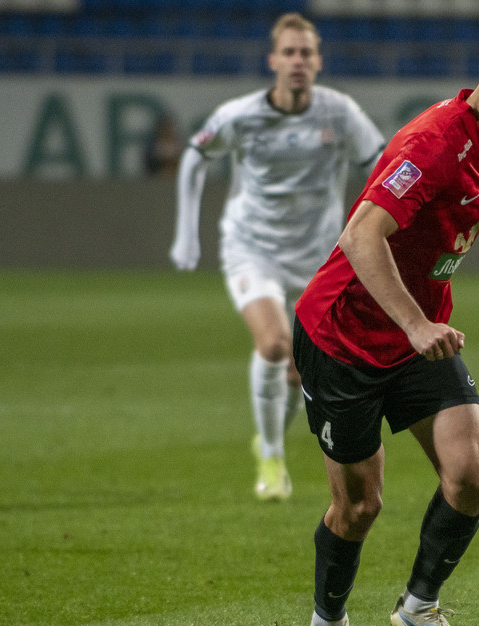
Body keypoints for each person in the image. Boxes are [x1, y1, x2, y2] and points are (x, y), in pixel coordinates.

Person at [293, 20, 479, 626]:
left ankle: (419, 606)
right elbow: (361, 236)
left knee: (472, 476)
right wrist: (416, 325)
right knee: (360, 507)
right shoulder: (433, 144)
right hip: (344, 338)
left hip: (416, 334)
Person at [169, 13, 385, 502]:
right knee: (273, 345)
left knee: (299, 370)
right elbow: (194, 156)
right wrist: (186, 235)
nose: (298, 61)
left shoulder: (340, 112)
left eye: (306, 52)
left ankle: (271, 440)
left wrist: (384, 224)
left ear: (318, 61)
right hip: (253, 247)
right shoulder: (241, 115)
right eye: (289, 52)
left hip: (319, 257)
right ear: (273, 61)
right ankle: (270, 455)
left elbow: (381, 163)